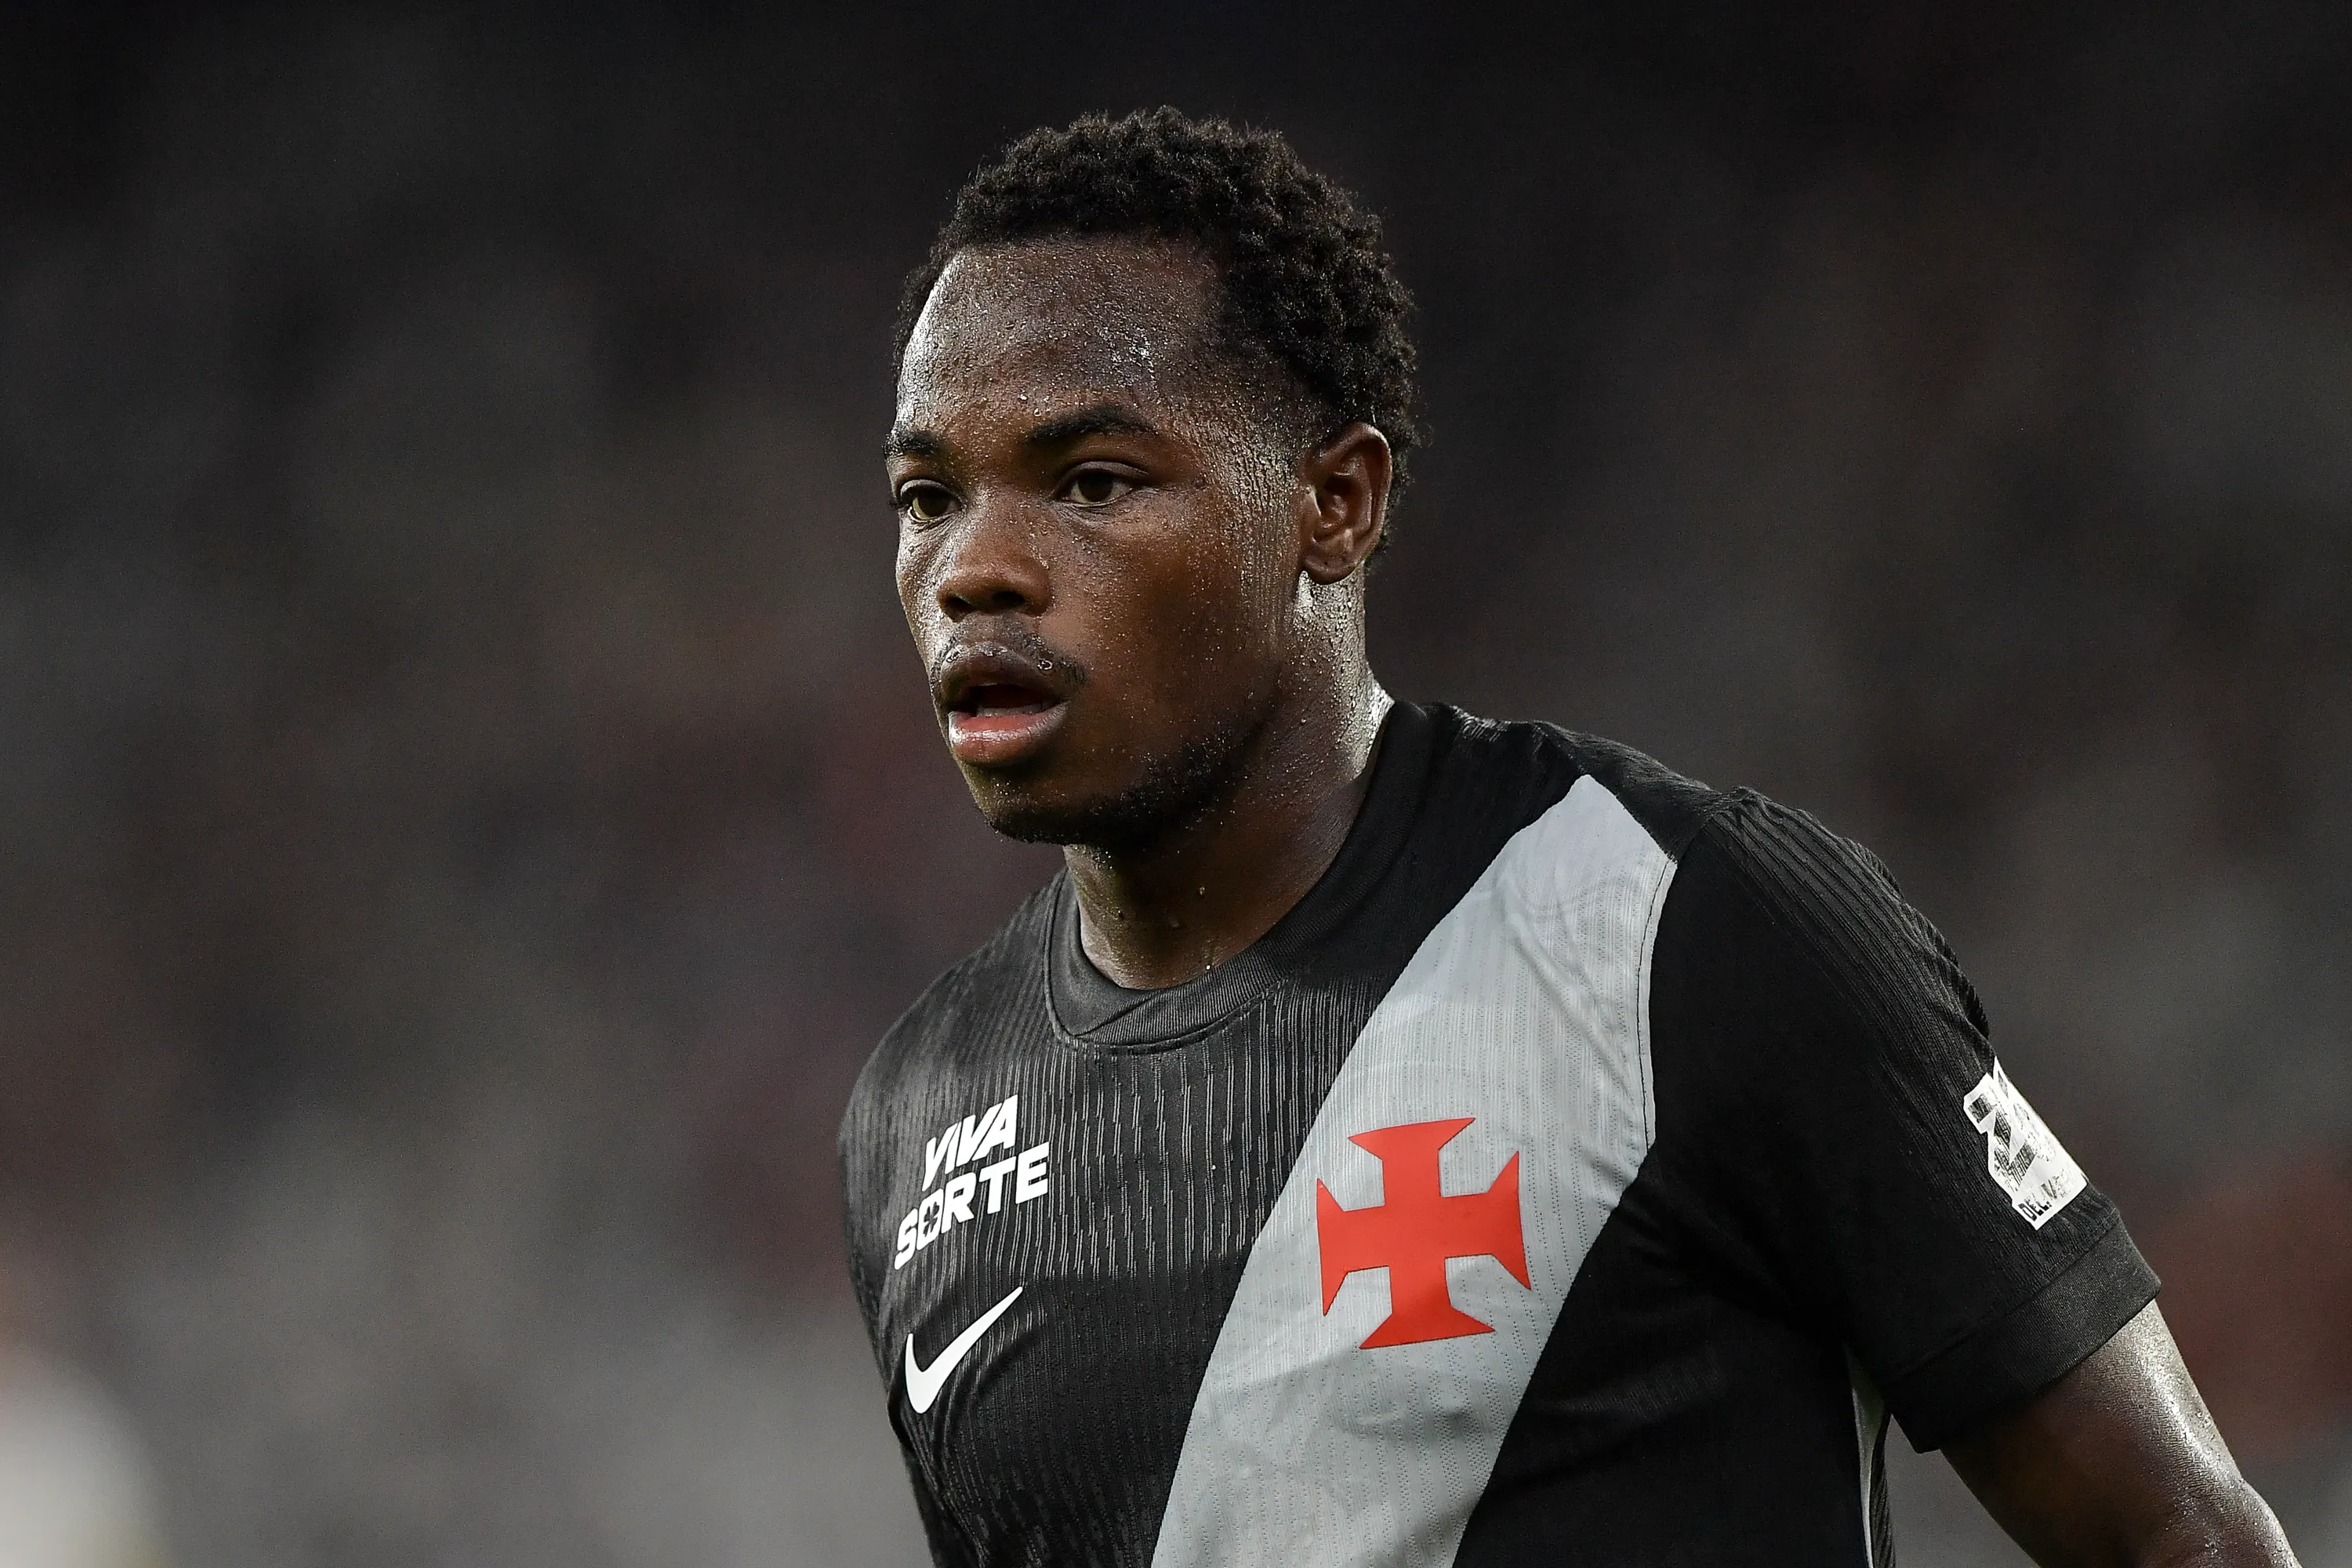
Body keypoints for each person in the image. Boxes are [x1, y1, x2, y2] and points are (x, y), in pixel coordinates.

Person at [838, 107, 2299, 1566]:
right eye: (929, 497)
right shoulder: (915, 1116)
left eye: (1092, 481)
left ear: (1333, 505)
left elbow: (2179, 1535)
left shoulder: (1687, 929)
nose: (975, 569)